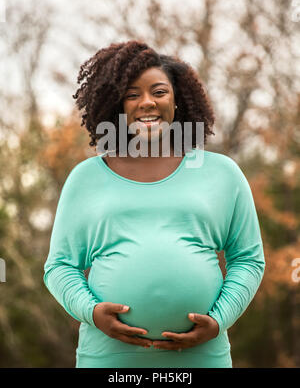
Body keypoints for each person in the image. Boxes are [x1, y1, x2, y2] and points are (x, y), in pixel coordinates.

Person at [43, 40, 265, 368]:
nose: (146, 102)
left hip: (202, 359)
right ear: (116, 105)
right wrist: (92, 313)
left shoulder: (222, 174)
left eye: (159, 92)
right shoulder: (85, 179)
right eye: (132, 94)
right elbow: (59, 266)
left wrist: (219, 321)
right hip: (108, 360)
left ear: (178, 101)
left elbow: (248, 259)